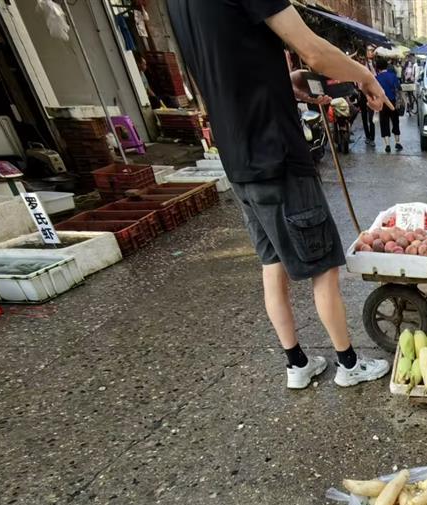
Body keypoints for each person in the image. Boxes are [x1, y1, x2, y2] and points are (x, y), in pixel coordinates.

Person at [168, 0, 392, 389]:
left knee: (272, 262)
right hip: (276, 153)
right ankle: (349, 364)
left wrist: (283, 81)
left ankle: (297, 365)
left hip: (238, 157)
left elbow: (226, 66)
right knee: (323, 266)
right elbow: (313, 50)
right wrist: (363, 75)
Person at [375, 61, 402, 152]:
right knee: (395, 121)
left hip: (382, 103)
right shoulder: (392, 75)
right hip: (392, 102)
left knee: (384, 122)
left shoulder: (377, 78)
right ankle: (397, 142)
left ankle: (387, 145)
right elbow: (398, 87)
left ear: (378, 68)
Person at [358, 44, 378, 146]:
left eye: (372, 50)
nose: (371, 52)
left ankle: (372, 138)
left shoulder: (371, 65)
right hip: (361, 94)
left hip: (370, 93)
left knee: (371, 117)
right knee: (364, 117)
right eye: (369, 50)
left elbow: (375, 78)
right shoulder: (357, 66)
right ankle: (367, 136)